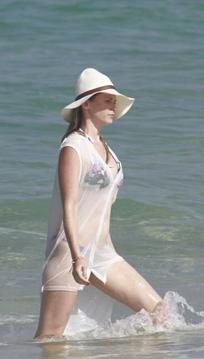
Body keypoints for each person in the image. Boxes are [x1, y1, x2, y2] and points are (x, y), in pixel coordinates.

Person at [35, 68, 165, 339]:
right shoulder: (73, 147)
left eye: (114, 100)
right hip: (70, 253)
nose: (113, 105)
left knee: (160, 313)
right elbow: (69, 204)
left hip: (103, 254)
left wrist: (106, 248)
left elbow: (102, 208)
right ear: (86, 104)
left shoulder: (108, 149)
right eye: (107, 99)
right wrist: (76, 256)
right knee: (50, 339)